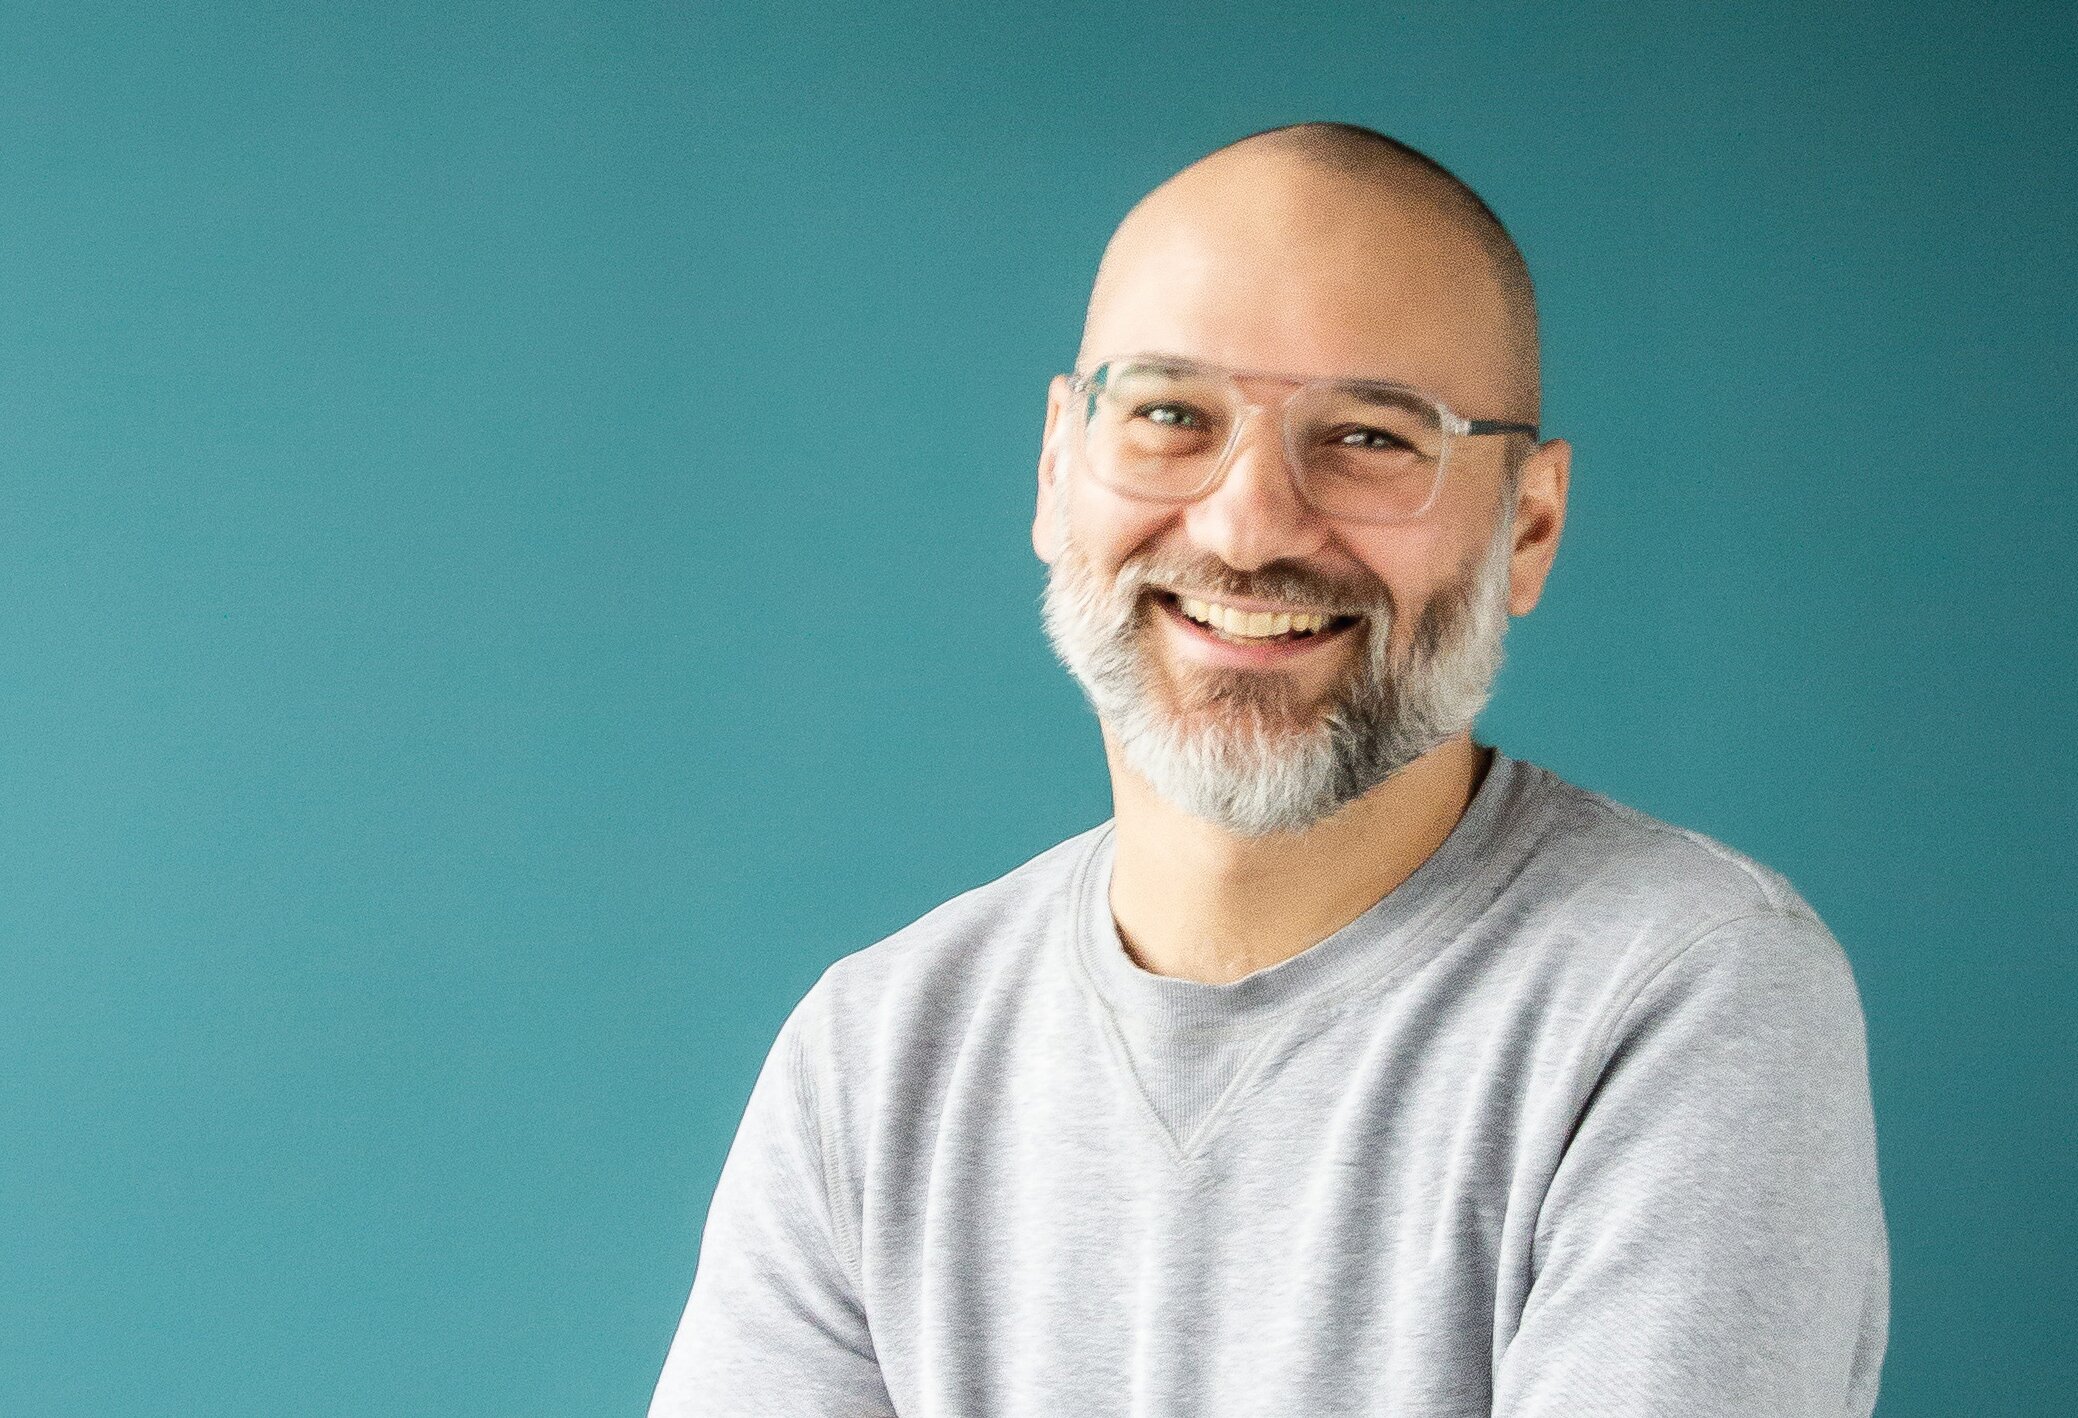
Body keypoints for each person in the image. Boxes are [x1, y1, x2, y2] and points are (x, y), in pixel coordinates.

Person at [650, 122, 1888, 1417]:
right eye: (1170, 416)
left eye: (1369, 438)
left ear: (1527, 527)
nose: (1247, 527)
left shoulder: (1680, 991)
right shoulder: (876, 1052)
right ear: (1057, 468)